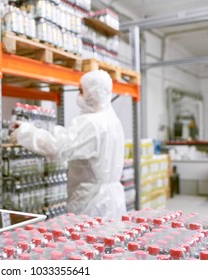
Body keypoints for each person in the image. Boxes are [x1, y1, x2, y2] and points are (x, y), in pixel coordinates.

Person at [10, 70, 127, 221]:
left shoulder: (92, 123)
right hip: (113, 199)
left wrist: (26, 132)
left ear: (92, 94)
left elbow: (59, 148)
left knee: (90, 241)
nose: (78, 96)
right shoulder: (112, 121)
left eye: (81, 91)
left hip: (94, 201)